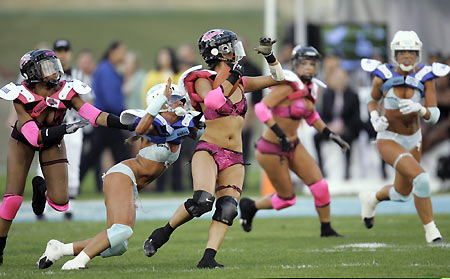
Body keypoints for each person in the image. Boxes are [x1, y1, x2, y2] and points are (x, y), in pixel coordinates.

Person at [142, 29, 286, 268]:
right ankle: (163, 233)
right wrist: (234, 76)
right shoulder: (202, 79)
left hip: (235, 155)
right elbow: (213, 101)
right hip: (209, 149)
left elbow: (278, 79)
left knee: (228, 208)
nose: (235, 50)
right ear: (218, 51)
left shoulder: (240, 79)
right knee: (202, 201)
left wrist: (270, 57)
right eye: (230, 46)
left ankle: (208, 258)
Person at [36, 81, 204, 270]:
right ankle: (77, 262)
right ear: (162, 103)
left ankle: (60, 249)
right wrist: (159, 103)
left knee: (118, 246)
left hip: (130, 184)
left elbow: (209, 135)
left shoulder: (182, 126)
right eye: (175, 99)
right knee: (122, 230)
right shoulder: (154, 123)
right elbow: (140, 129)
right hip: (123, 175)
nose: (181, 103)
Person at [0, 49, 136, 265]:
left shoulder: (67, 90)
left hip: (53, 140)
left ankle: (40, 188)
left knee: (61, 201)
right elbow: (34, 137)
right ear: (33, 72)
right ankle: (0, 246)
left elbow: (94, 115)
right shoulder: (19, 94)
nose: (55, 71)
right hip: (23, 141)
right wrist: (64, 129)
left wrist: (126, 122)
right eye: (47, 67)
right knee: (12, 200)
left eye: (55, 65)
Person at [238, 45, 349, 237]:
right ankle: (251, 206)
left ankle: (326, 228)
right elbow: (261, 108)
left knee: (320, 185)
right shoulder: (286, 84)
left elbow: (312, 116)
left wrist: (331, 135)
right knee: (287, 199)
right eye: (303, 63)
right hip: (272, 148)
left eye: (312, 64)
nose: (308, 67)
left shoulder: (310, 87)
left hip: (293, 144)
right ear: (295, 64)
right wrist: (280, 135)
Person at [359, 30, 450, 243]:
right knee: (422, 178)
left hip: (414, 139)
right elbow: (371, 100)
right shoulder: (383, 74)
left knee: (403, 193)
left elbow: (434, 115)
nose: (407, 56)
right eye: (402, 52)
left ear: (418, 53)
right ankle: (431, 231)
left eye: (411, 51)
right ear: (395, 54)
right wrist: (374, 117)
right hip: (389, 138)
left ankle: (371, 198)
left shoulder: (425, 76)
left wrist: (420, 109)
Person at [34, 39, 94, 221]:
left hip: (73, 126)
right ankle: (43, 205)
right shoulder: (44, 75)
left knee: (73, 164)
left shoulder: (78, 74)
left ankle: (70, 206)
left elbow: (88, 100)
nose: (63, 54)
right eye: (59, 50)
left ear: (70, 53)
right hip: (50, 127)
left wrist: (84, 116)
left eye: (65, 50)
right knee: (43, 165)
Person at [79, 41, 131, 192]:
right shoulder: (106, 70)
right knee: (116, 154)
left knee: (101, 154)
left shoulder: (107, 69)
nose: (124, 55)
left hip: (105, 119)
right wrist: (124, 115)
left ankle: (74, 183)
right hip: (107, 119)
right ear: (112, 52)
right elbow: (111, 99)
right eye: (122, 51)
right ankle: (129, 182)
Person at [141, 46, 182, 192]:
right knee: (159, 150)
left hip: (176, 118)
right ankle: (159, 185)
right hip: (158, 118)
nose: (164, 59)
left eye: (166, 56)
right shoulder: (152, 75)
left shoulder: (178, 74)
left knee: (176, 149)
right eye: (161, 56)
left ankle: (178, 185)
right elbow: (146, 95)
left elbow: (181, 92)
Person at [313, 67, 361, 179]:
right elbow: (323, 115)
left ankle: (347, 172)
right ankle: (321, 168)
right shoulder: (327, 94)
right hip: (330, 128)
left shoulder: (353, 95)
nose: (339, 80)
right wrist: (329, 126)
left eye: (341, 77)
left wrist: (343, 126)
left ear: (346, 79)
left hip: (346, 128)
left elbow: (356, 117)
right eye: (336, 78)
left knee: (347, 138)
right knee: (315, 137)